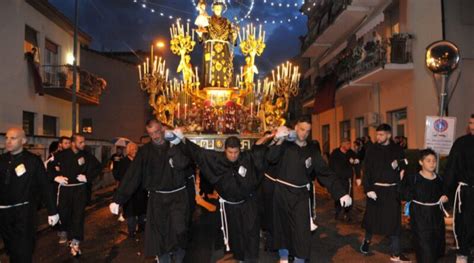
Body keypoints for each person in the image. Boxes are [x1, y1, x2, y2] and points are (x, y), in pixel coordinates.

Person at [266, 117, 352, 262]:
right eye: (301, 129)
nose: (304, 133)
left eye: (307, 131)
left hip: (300, 196)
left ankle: (299, 260)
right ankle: (284, 257)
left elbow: (324, 172)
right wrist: (278, 139)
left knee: (302, 231)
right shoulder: (285, 145)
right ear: (295, 128)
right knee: (282, 227)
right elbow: (270, 158)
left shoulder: (312, 150)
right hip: (282, 193)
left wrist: (341, 193)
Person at [109, 119, 191, 263]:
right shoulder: (145, 151)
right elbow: (133, 175)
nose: (155, 136)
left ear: (162, 129)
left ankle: (179, 257)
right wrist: (118, 199)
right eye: (151, 134)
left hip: (178, 196)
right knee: (160, 232)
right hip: (157, 199)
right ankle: (164, 258)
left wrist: (174, 150)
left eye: (157, 132)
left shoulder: (176, 144)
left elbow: (186, 163)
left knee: (180, 230)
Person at [183, 134, 271, 262]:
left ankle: (248, 259)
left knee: (250, 235)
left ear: (240, 151)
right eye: (230, 152)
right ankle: (236, 258)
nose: (233, 155)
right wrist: (181, 139)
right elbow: (199, 153)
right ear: (225, 150)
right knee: (232, 238)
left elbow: (257, 150)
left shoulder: (246, 158)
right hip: (228, 207)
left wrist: (269, 138)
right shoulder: (217, 160)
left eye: (236, 152)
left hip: (247, 204)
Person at [0, 127, 59, 262]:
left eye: (13, 138)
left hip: (24, 213)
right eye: (7, 138)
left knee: (23, 250)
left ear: (23, 141)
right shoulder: (1, 159)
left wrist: (52, 211)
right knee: (11, 250)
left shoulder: (32, 161)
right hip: (3, 215)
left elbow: (44, 186)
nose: (8, 141)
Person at [360, 123, 410, 262]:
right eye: (377, 134)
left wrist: (400, 167)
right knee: (372, 219)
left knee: (394, 222)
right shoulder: (371, 149)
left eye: (381, 134)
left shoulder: (397, 149)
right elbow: (367, 170)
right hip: (375, 190)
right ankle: (367, 241)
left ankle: (396, 253)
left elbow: (405, 164)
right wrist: (368, 189)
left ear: (388, 135)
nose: (378, 137)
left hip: (392, 190)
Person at [48, 134, 102, 257]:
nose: (84, 144)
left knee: (78, 216)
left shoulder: (86, 155)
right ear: (73, 143)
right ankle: (65, 233)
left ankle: (75, 242)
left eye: (84, 142)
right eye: (81, 142)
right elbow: (48, 167)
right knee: (64, 215)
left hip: (79, 191)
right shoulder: (60, 155)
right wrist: (56, 177)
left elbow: (98, 167)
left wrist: (87, 177)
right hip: (65, 190)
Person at [401, 149, 448, 263]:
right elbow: (403, 194)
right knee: (423, 247)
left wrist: (445, 197)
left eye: (434, 161)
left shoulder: (439, 179)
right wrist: (401, 181)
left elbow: (445, 194)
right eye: (428, 161)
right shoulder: (414, 178)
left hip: (436, 217)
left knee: (435, 246)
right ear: (421, 162)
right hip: (419, 216)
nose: (432, 163)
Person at [444, 114, 474, 263]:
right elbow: (452, 168)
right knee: (463, 223)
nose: (472, 125)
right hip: (465, 192)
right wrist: (445, 191)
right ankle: (462, 253)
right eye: (470, 122)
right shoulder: (461, 143)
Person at [116, 142, 147, 238]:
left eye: (136, 149)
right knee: (130, 212)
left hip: (140, 191)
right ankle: (131, 230)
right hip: (128, 192)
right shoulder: (123, 162)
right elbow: (118, 175)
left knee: (142, 210)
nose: (135, 151)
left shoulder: (140, 161)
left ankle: (142, 227)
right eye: (133, 149)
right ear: (128, 151)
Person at [329, 138, 360, 221]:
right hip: (338, 179)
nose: (349, 145)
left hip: (348, 179)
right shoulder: (335, 154)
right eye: (347, 144)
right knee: (339, 196)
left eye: (349, 144)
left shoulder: (351, 153)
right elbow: (331, 166)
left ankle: (347, 213)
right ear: (342, 144)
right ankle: (338, 212)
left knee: (349, 195)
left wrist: (358, 177)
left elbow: (357, 163)